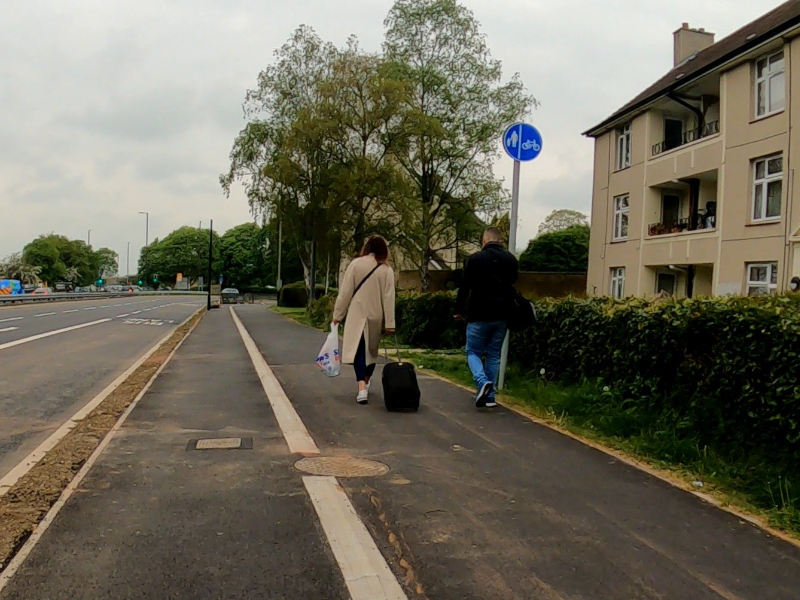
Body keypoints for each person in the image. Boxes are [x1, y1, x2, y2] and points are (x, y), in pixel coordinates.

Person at [454, 226, 519, 408]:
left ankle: (482, 382)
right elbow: (513, 283)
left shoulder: (475, 259)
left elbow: (464, 286)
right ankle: (490, 398)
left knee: (472, 351)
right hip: (502, 314)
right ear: (500, 240)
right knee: (493, 355)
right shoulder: (511, 260)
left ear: (484, 240)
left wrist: (458, 309)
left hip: (478, 313)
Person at [333, 235, 396, 404]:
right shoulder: (386, 270)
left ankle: (361, 386)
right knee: (371, 352)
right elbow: (389, 298)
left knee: (359, 351)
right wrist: (390, 323)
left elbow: (345, 292)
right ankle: (365, 383)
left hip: (356, 314)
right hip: (375, 316)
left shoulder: (355, 264)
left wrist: (337, 315)